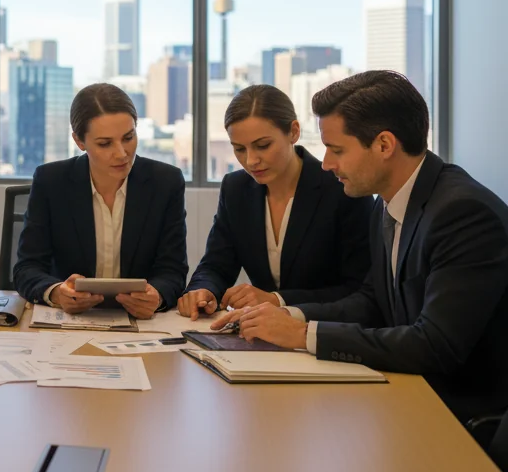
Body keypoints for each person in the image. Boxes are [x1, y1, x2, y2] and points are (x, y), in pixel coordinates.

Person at [211, 71, 508, 422]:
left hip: (462, 417)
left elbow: (435, 345)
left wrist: (304, 334)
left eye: (337, 150)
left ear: (384, 145)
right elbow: (372, 302)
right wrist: (287, 316)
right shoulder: (388, 202)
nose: (326, 164)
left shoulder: (462, 213)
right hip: (407, 394)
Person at [177, 85, 373, 319]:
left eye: (263, 146)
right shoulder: (235, 188)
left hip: (326, 329)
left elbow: (359, 289)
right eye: (239, 149)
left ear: (294, 132)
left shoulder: (344, 189)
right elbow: (216, 265)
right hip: (260, 332)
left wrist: (278, 300)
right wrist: (204, 291)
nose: (251, 160)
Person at [13, 83, 188, 320]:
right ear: (79, 141)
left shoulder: (165, 182)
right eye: (105, 143)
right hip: (70, 324)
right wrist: (57, 293)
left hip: (140, 323)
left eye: (128, 137)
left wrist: (156, 296)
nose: (122, 153)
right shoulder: (51, 181)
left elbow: (173, 270)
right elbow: (26, 268)